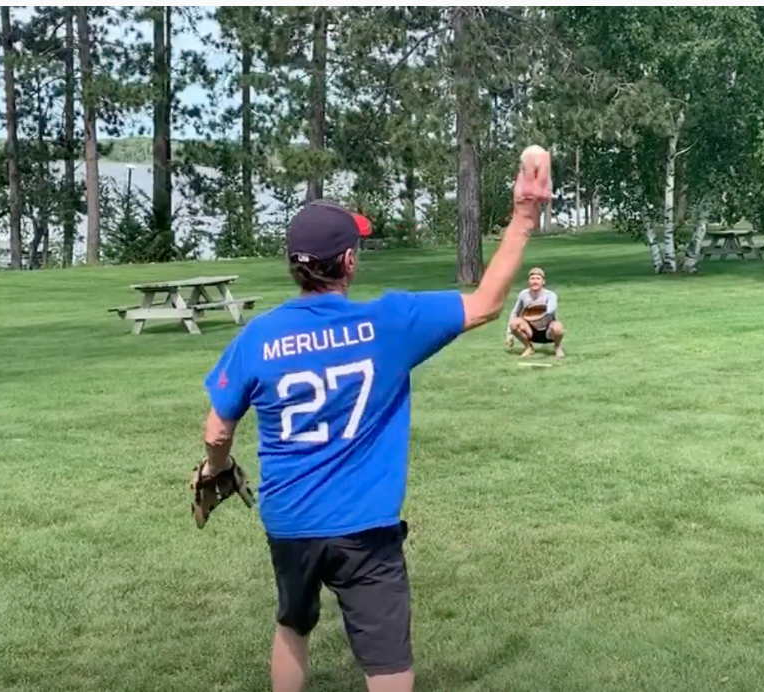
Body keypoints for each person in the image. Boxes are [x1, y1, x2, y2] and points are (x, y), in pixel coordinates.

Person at [197, 152, 551, 692]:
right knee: (386, 663)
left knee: (292, 624)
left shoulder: (258, 337)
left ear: (296, 264)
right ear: (348, 262)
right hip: (365, 527)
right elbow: (485, 303)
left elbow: (216, 430)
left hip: (289, 522)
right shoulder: (387, 323)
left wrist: (216, 468)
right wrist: (524, 217)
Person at [503, 266, 565, 358]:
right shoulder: (523, 294)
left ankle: (557, 347)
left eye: (538, 279)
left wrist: (538, 310)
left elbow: (551, 309)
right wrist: (509, 333)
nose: (535, 281)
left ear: (543, 282)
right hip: (530, 330)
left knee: (558, 327)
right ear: (528, 281)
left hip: (547, 330)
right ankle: (528, 348)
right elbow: (515, 313)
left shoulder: (550, 295)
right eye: (532, 279)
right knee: (514, 323)